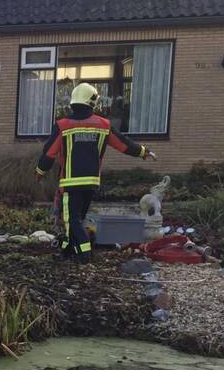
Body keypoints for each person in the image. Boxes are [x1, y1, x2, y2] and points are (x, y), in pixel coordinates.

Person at [36, 82, 156, 264]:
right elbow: (124, 144)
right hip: (91, 183)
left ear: (74, 101)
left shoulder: (63, 126)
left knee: (71, 220)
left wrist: (40, 171)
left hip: (70, 184)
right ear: (92, 102)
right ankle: (68, 251)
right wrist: (143, 152)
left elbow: (49, 152)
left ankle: (84, 254)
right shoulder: (103, 125)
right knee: (78, 219)